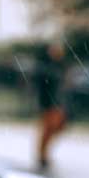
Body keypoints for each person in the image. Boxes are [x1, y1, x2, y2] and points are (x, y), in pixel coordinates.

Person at [34, 39, 70, 170]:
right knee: (48, 129)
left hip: (58, 103)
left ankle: (43, 154)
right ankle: (42, 155)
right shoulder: (46, 67)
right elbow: (43, 86)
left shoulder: (61, 66)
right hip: (49, 103)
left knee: (56, 128)